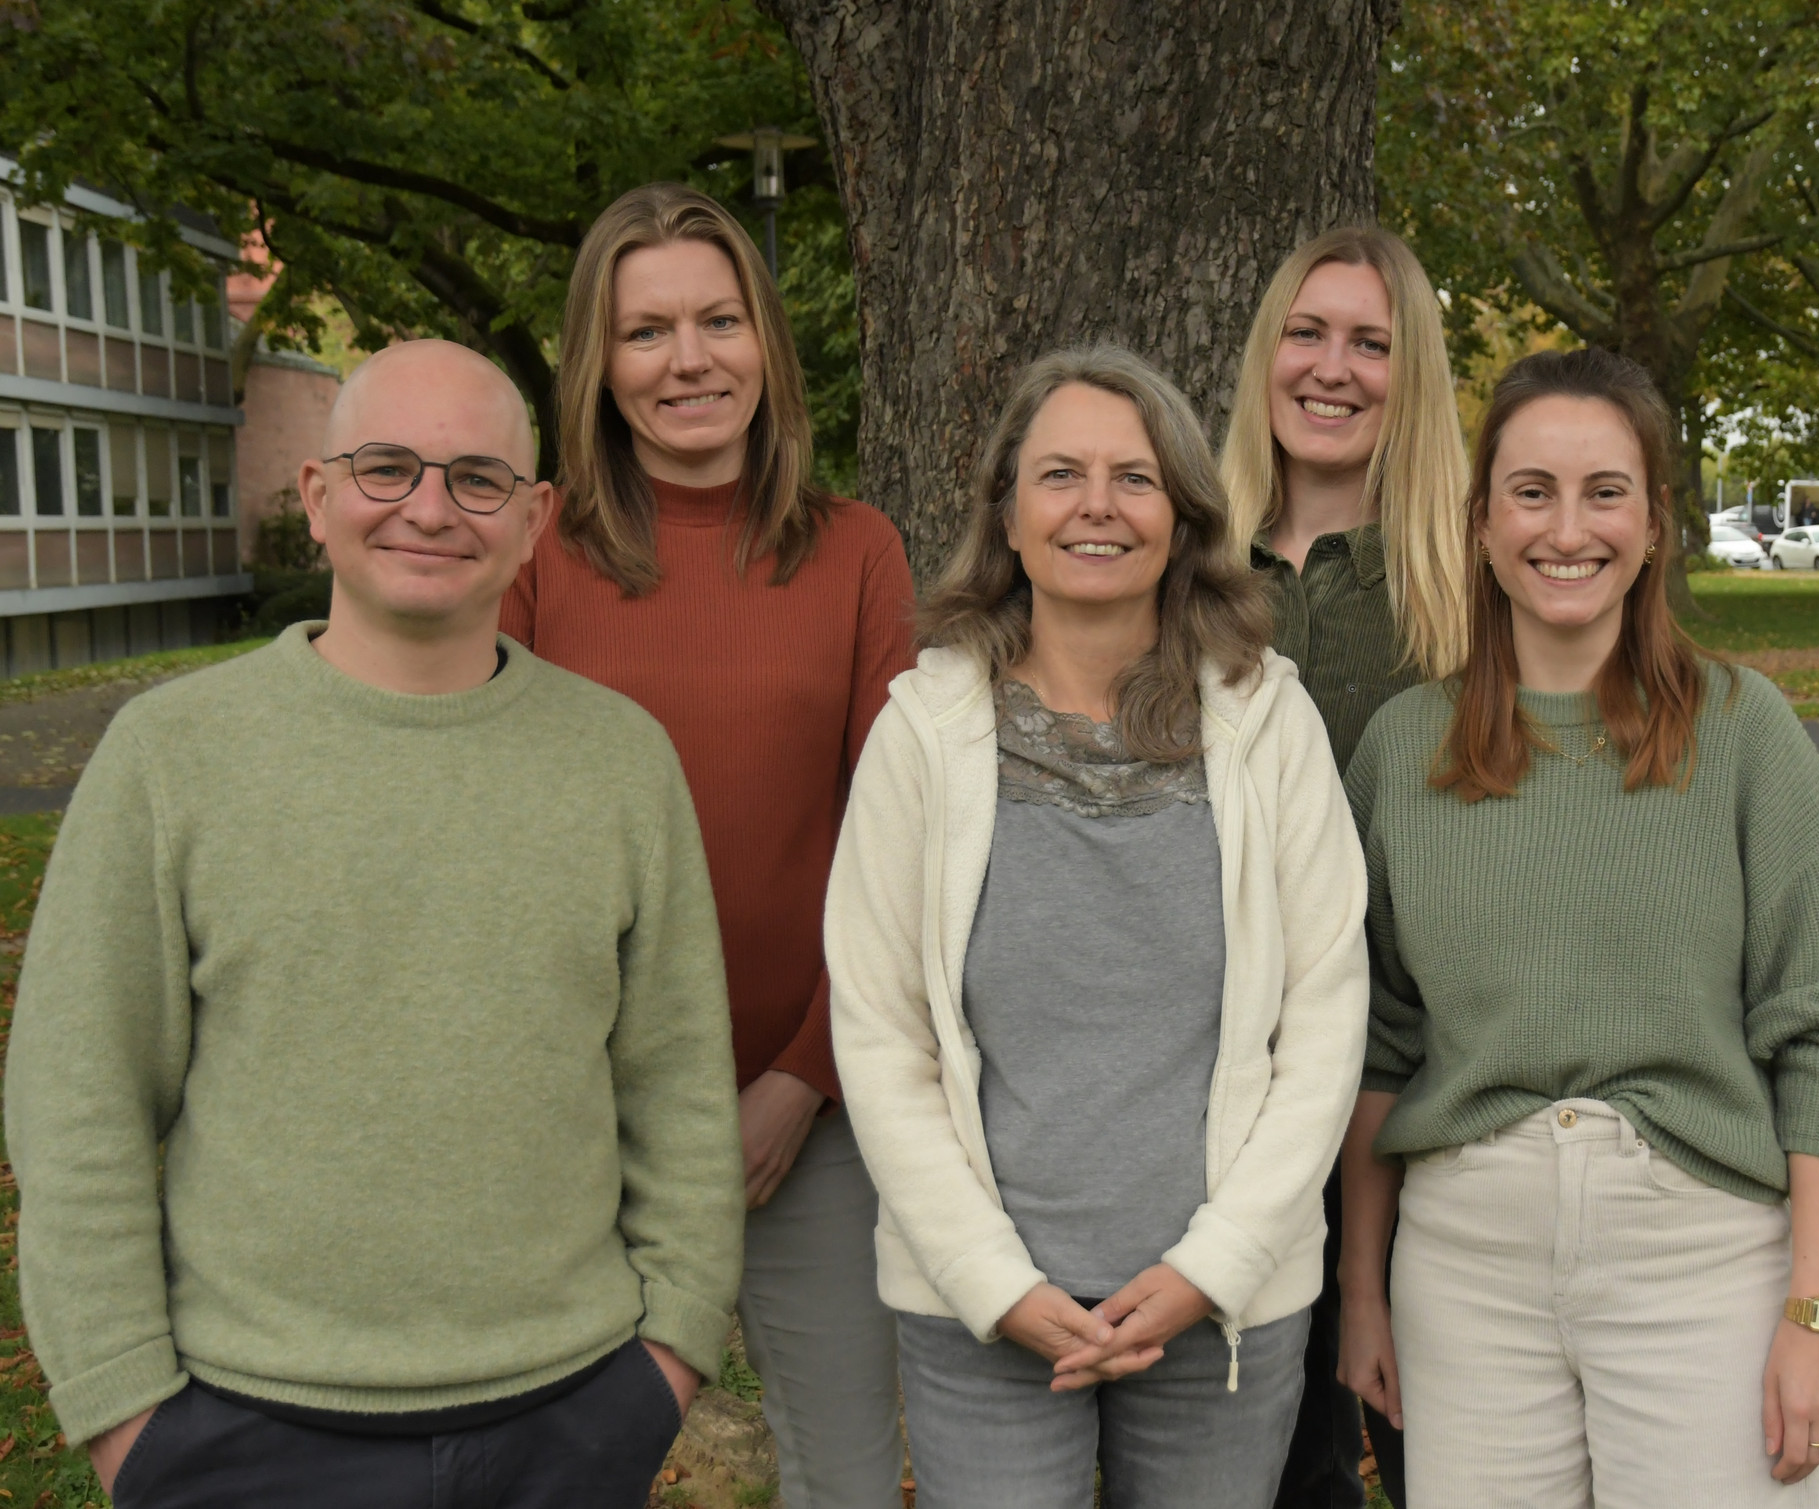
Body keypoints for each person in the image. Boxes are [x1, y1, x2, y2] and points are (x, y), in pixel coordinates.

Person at [5, 339, 744, 1509]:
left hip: (570, 1420)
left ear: (534, 515)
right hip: (241, 1432)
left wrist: (670, 1354)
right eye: (386, 467)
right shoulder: (172, 755)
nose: (429, 509)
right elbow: (78, 1095)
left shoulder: (618, 761)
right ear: (317, 494)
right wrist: (123, 1411)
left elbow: (680, 1087)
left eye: (475, 478)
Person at [1337, 347, 1819, 1507]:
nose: (1565, 529)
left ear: (1652, 525)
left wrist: (1818, 1308)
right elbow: (1379, 1040)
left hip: (1701, 1261)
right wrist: (1361, 1293)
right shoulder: (1401, 749)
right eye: (1530, 491)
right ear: (1480, 522)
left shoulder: (1744, 732)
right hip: (1465, 1267)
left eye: (1605, 492)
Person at [825, 344, 1371, 1509]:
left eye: (1133, 477)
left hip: (1220, 1312)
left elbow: (1324, 1020)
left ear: (1179, 515)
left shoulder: (1268, 723)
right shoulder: (920, 736)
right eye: (1059, 473)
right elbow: (879, 1037)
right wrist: (989, 1282)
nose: (1096, 506)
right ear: (1006, 515)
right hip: (983, 1318)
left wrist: (1208, 1269)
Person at [499, 183, 916, 1509]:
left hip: (808, 1110)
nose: (688, 360)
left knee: (844, 1478)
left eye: (719, 320)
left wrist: (800, 1077)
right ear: (596, 364)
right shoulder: (532, 551)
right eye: (645, 331)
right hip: (574, 1128)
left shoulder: (855, 553)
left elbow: (901, 849)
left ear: (764, 343)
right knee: (566, 1477)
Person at [1218, 224, 1470, 1509]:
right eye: (1305, 334)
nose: (1332, 368)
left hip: (1429, 1105)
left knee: (1445, 1456)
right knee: (1282, 1473)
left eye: (1369, 343)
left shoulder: (1465, 589)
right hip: (1233, 1112)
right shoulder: (1184, 574)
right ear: (1265, 354)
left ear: (1407, 372)